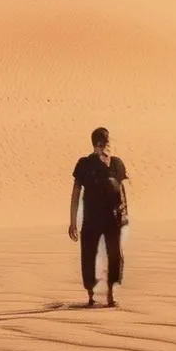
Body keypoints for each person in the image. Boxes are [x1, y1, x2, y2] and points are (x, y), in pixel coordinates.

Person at [67, 126, 129, 307]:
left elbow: (122, 189)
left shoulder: (116, 163)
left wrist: (125, 213)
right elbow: (76, 192)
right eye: (103, 142)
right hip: (91, 219)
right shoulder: (85, 164)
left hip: (112, 218)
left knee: (115, 255)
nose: (106, 145)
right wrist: (72, 222)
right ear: (97, 143)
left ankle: (111, 293)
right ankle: (91, 294)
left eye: (107, 142)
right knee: (88, 254)